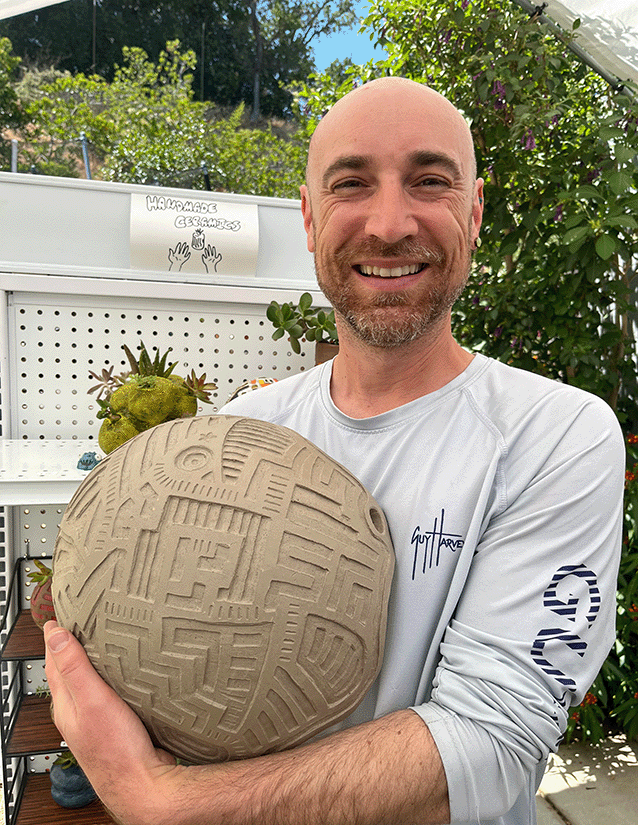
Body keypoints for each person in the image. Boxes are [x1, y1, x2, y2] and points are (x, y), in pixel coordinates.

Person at [44, 77, 624, 825]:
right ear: (310, 219)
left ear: (473, 214)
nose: (389, 223)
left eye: (430, 181)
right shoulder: (245, 429)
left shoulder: (556, 437)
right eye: (352, 183)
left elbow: (495, 740)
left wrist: (166, 801)